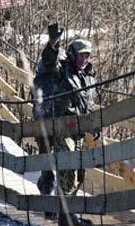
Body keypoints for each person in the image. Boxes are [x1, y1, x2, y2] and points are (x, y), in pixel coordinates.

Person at [33, 22, 96, 205]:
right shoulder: (62, 70)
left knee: (79, 169)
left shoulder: (88, 77)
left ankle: (65, 207)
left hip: (77, 128)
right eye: (81, 55)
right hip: (55, 122)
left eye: (87, 56)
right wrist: (53, 44)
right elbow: (49, 62)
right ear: (73, 55)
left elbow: (88, 104)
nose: (85, 59)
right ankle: (59, 207)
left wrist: (94, 125)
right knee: (65, 164)